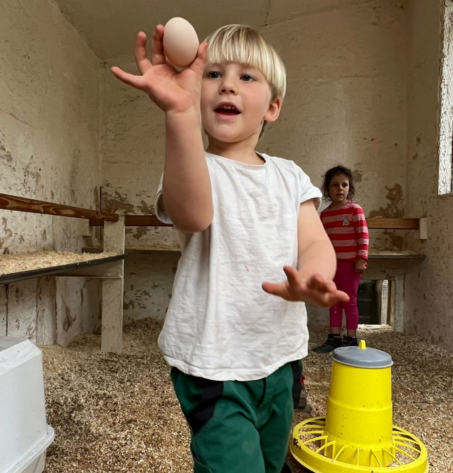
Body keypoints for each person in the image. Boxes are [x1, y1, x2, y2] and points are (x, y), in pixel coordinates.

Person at [110, 23, 348, 472]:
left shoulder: (289, 174)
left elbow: (315, 239)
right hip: (213, 362)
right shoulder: (193, 167)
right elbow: (193, 215)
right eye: (214, 74)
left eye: (247, 77)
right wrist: (178, 115)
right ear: (198, 93)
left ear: (272, 107)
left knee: (272, 462)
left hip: (280, 358)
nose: (228, 85)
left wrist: (316, 276)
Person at [313, 165, 370, 353]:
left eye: (344, 185)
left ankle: (351, 339)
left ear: (349, 188)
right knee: (333, 300)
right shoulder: (325, 214)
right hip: (332, 266)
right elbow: (322, 241)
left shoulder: (355, 210)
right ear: (328, 189)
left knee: (349, 301)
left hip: (350, 265)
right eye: (335, 185)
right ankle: (334, 338)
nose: (340, 189)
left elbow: (363, 235)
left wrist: (361, 259)